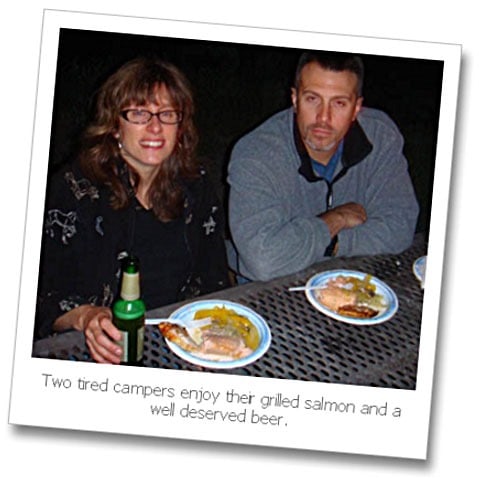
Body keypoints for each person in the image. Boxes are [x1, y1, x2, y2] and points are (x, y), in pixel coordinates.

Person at [34, 57, 230, 363]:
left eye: (167, 114)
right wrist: (85, 317)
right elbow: (40, 295)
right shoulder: (74, 191)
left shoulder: (196, 185)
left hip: (181, 341)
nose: (155, 127)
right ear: (115, 125)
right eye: (139, 114)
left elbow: (213, 276)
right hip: (100, 348)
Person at [227, 50, 419, 282]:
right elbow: (265, 261)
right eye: (312, 99)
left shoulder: (380, 137)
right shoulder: (256, 154)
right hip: (273, 288)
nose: (323, 118)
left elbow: (400, 226)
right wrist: (335, 220)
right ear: (295, 99)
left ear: (356, 108)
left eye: (339, 103)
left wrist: (334, 244)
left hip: (355, 279)